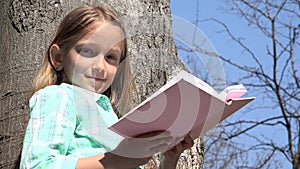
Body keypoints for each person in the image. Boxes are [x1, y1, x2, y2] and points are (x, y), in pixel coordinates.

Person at [20, 4, 194, 169]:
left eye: (110, 57)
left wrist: (168, 160)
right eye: (87, 51)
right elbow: (37, 165)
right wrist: (115, 160)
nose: (99, 66)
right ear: (58, 57)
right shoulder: (59, 97)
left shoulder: (113, 120)